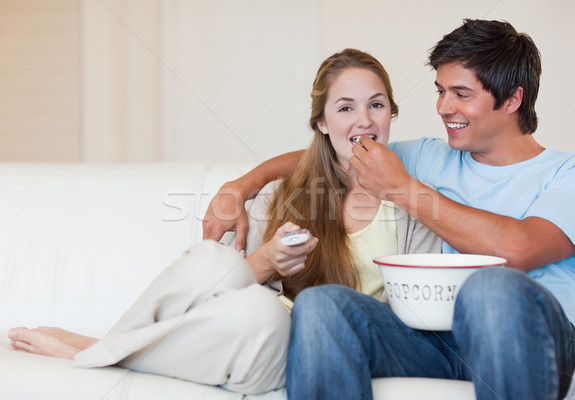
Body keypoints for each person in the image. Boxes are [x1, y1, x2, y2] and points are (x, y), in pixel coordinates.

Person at [202, 19, 575, 400]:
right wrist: (239, 186)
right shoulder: (432, 156)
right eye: (440, 91)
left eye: (461, 94)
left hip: (536, 340)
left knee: (489, 289)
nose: (444, 108)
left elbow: (519, 249)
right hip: (440, 342)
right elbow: (336, 153)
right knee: (322, 306)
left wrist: (402, 188)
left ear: (514, 98)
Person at [8, 48, 439, 395]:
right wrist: (269, 260)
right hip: (255, 324)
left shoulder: (413, 202)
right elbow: (227, 295)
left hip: (302, 348)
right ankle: (110, 345)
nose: (364, 120)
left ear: (390, 115)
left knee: (259, 318)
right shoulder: (280, 194)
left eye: (376, 105)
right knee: (211, 265)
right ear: (322, 123)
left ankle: (92, 348)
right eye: (346, 108)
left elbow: (406, 316)